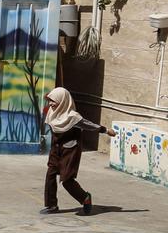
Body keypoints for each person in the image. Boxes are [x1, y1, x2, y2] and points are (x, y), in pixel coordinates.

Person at [41, 87, 116, 215]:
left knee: (67, 181)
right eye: (50, 101)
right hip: (56, 149)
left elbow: (89, 125)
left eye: (54, 101)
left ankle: (85, 198)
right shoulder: (52, 113)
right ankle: (51, 205)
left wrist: (105, 130)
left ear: (63, 101)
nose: (51, 104)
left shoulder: (73, 117)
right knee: (50, 175)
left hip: (70, 151)